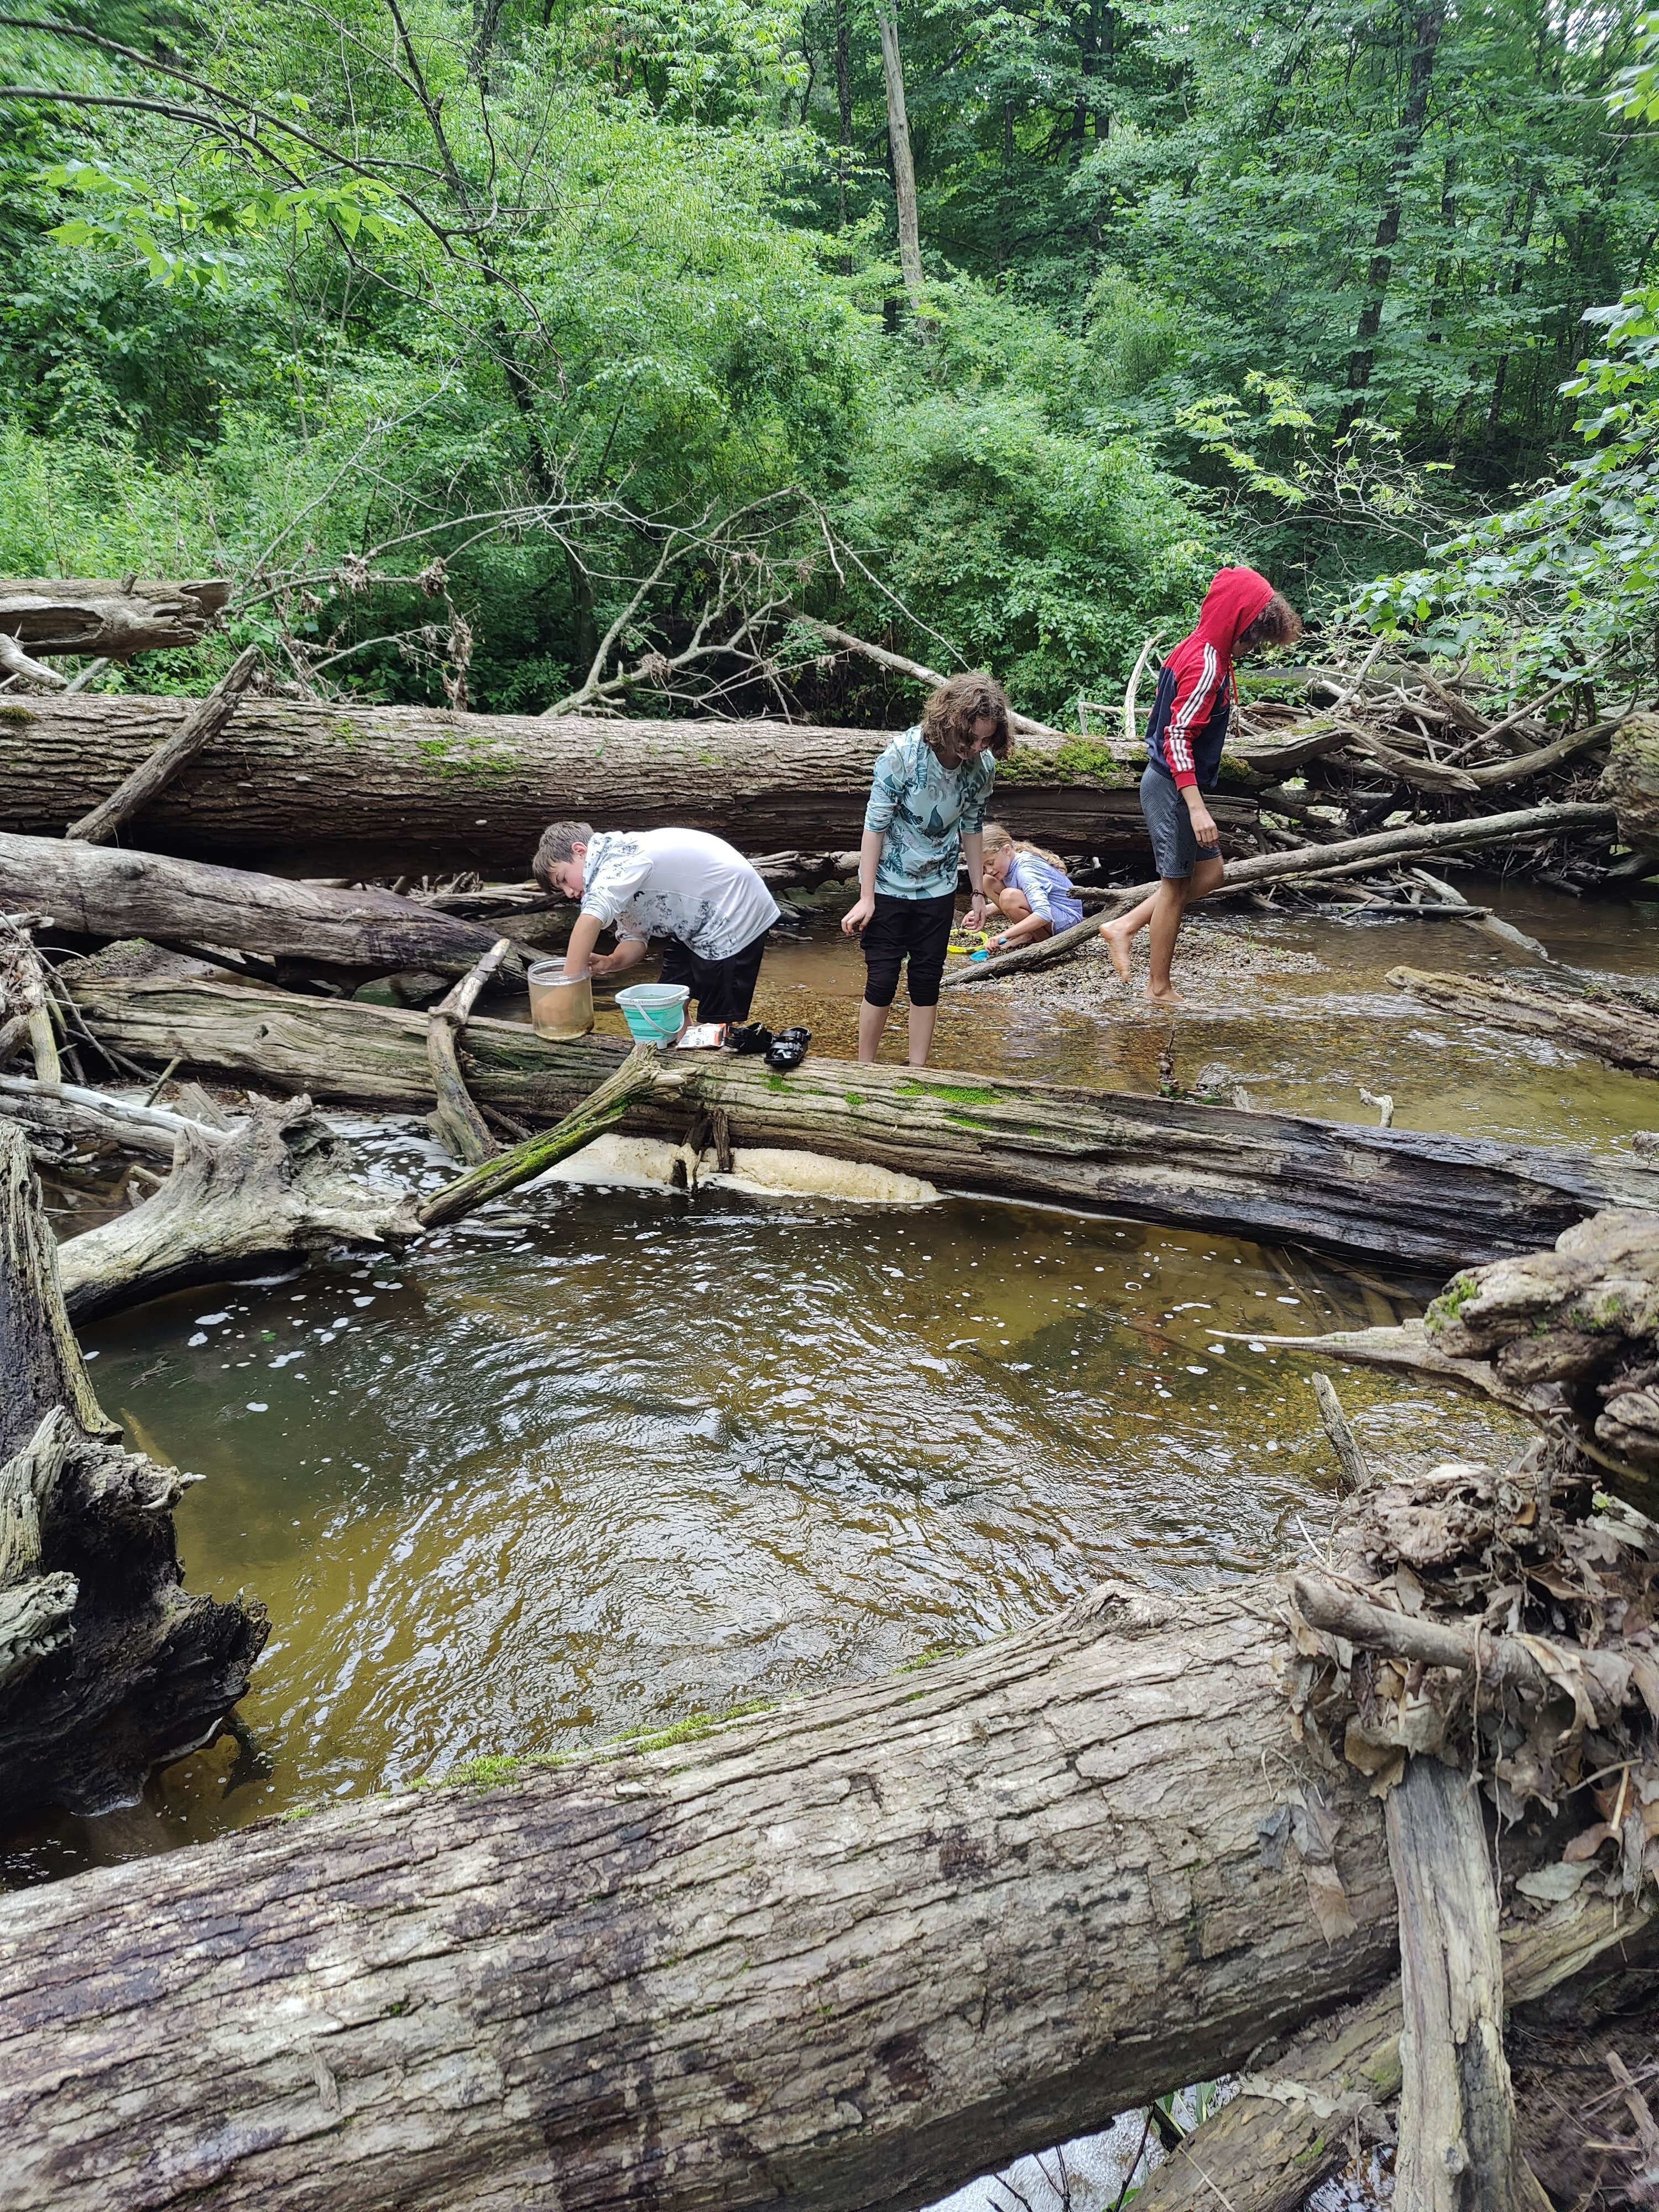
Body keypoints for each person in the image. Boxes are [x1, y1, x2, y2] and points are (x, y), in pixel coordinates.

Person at [1101, 567, 1302, 1003]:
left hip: (1175, 783)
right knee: (1175, 885)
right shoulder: (1207, 663)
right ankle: (1159, 989)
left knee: (1210, 875)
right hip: (1172, 787)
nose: (1250, 649)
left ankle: (1125, 925)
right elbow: (1176, 736)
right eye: (1250, 639)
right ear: (1235, 623)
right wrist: (1196, 806)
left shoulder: (1201, 648)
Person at [841, 671, 1011, 1066]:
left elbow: (971, 828)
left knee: (926, 982)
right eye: (971, 737)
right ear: (950, 723)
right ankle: (864, 1068)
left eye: (987, 739)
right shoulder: (902, 755)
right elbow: (874, 826)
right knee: (882, 980)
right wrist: (866, 896)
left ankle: (918, 1069)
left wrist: (978, 893)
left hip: (937, 888)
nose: (978, 747)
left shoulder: (982, 765)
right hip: (888, 887)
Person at [531, 822, 780, 1024]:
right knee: (666, 1006)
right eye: (561, 888)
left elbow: (589, 919)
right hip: (692, 922)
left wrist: (567, 987)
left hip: (733, 914)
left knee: (714, 1019)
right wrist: (611, 962)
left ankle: (717, 1065)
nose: (569, 893)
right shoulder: (613, 878)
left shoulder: (619, 858)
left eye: (564, 879)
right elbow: (634, 938)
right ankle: (681, 1055)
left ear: (580, 851)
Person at [979, 822, 1084, 951]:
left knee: (1009, 897)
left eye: (991, 863)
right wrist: (982, 911)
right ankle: (1030, 935)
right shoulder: (1009, 864)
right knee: (988, 881)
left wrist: (1003, 935)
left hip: (1066, 920)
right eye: (983, 867)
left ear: (1007, 850)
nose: (989, 870)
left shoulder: (1026, 871)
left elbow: (1043, 913)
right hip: (1052, 911)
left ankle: (1044, 944)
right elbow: (1026, 898)